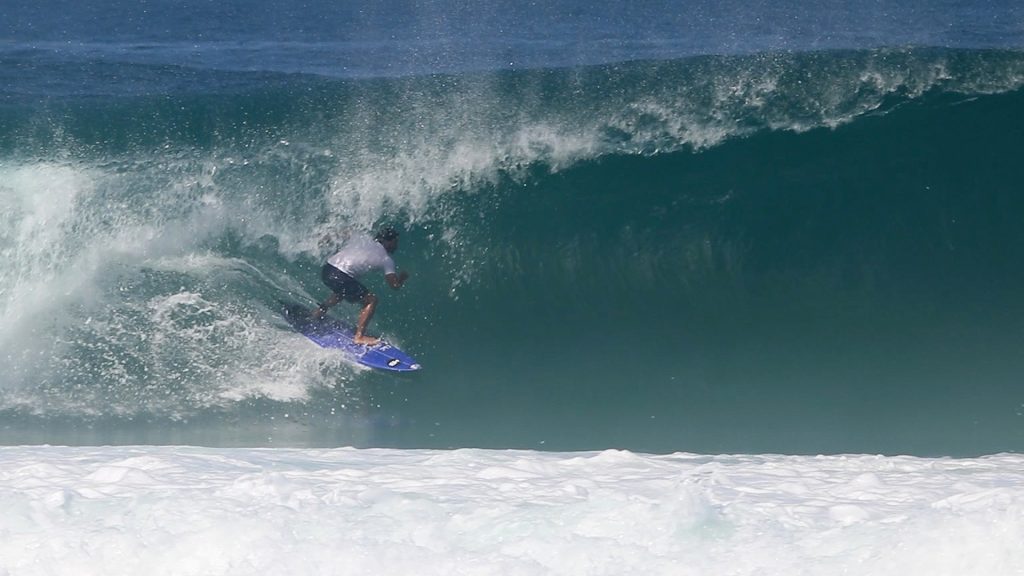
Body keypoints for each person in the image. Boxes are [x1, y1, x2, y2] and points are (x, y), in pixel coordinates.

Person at [311, 226, 409, 345]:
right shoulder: (386, 259)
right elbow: (394, 285)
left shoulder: (363, 238)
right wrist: (402, 278)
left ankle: (318, 312)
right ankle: (359, 337)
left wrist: (323, 239)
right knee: (372, 300)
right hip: (341, 276)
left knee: (342, 292)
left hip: (327, 269)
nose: (396, 246)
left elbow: (343, 232)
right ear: (387, 241)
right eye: (394, 242)